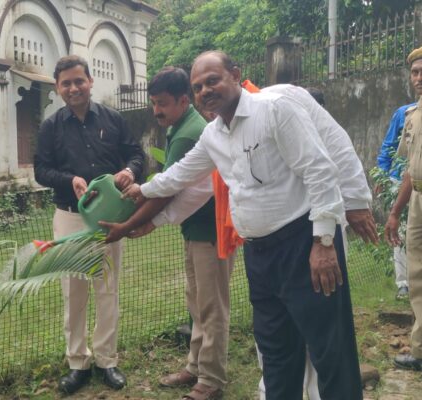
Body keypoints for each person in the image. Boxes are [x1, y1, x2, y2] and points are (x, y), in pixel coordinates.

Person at [123, 51, 363, 399]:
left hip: (303, 245)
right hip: (259, 254)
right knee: (276, 351)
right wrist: (142, 190)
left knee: (329, 348)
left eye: (212, 81)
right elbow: (180, 174)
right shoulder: (213, 134)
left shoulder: (274, 109)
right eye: (198, 87)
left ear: (236, 75)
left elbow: (319, 169)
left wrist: (324, 242)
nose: (205, 91)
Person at [101, 67, 233, 400]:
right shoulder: (183, 126)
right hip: (196, 227)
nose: (156, 111)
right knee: (198, 302)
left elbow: (166, 190)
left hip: (211, 230)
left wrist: (129, 225)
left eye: (162, 103)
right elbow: (171, 185)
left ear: (182, 101)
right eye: (154, 103)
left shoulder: (189, 133)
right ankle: (195, 367)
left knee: (212, 306)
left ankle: (211, 379)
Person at [33, 55, 144, 394]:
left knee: (107, 288)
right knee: (74, 291)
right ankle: (77, 362)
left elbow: (136, 154)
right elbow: (41, 171)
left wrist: (130, 171)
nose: (73, 88)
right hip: (70, 215)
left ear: (90, 81)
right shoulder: (51, 127)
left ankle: (107, 360)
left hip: (109, 215)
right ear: (58, 88)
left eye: (79, 81)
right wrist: (70, 180)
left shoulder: (112, 119)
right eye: (66, 83)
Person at [385, 46, 422, 371]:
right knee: (417, 274)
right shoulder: (412, 116)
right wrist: (396, 212)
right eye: (415, 72)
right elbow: (411, 169)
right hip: (418, 201)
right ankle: (420, 351)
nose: (418, 78)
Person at [378, 102, 416, 300]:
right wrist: (382, 173)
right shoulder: (404, 113)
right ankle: (403, 283)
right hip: (401, 178)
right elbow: (390, 144)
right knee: (400, 230)